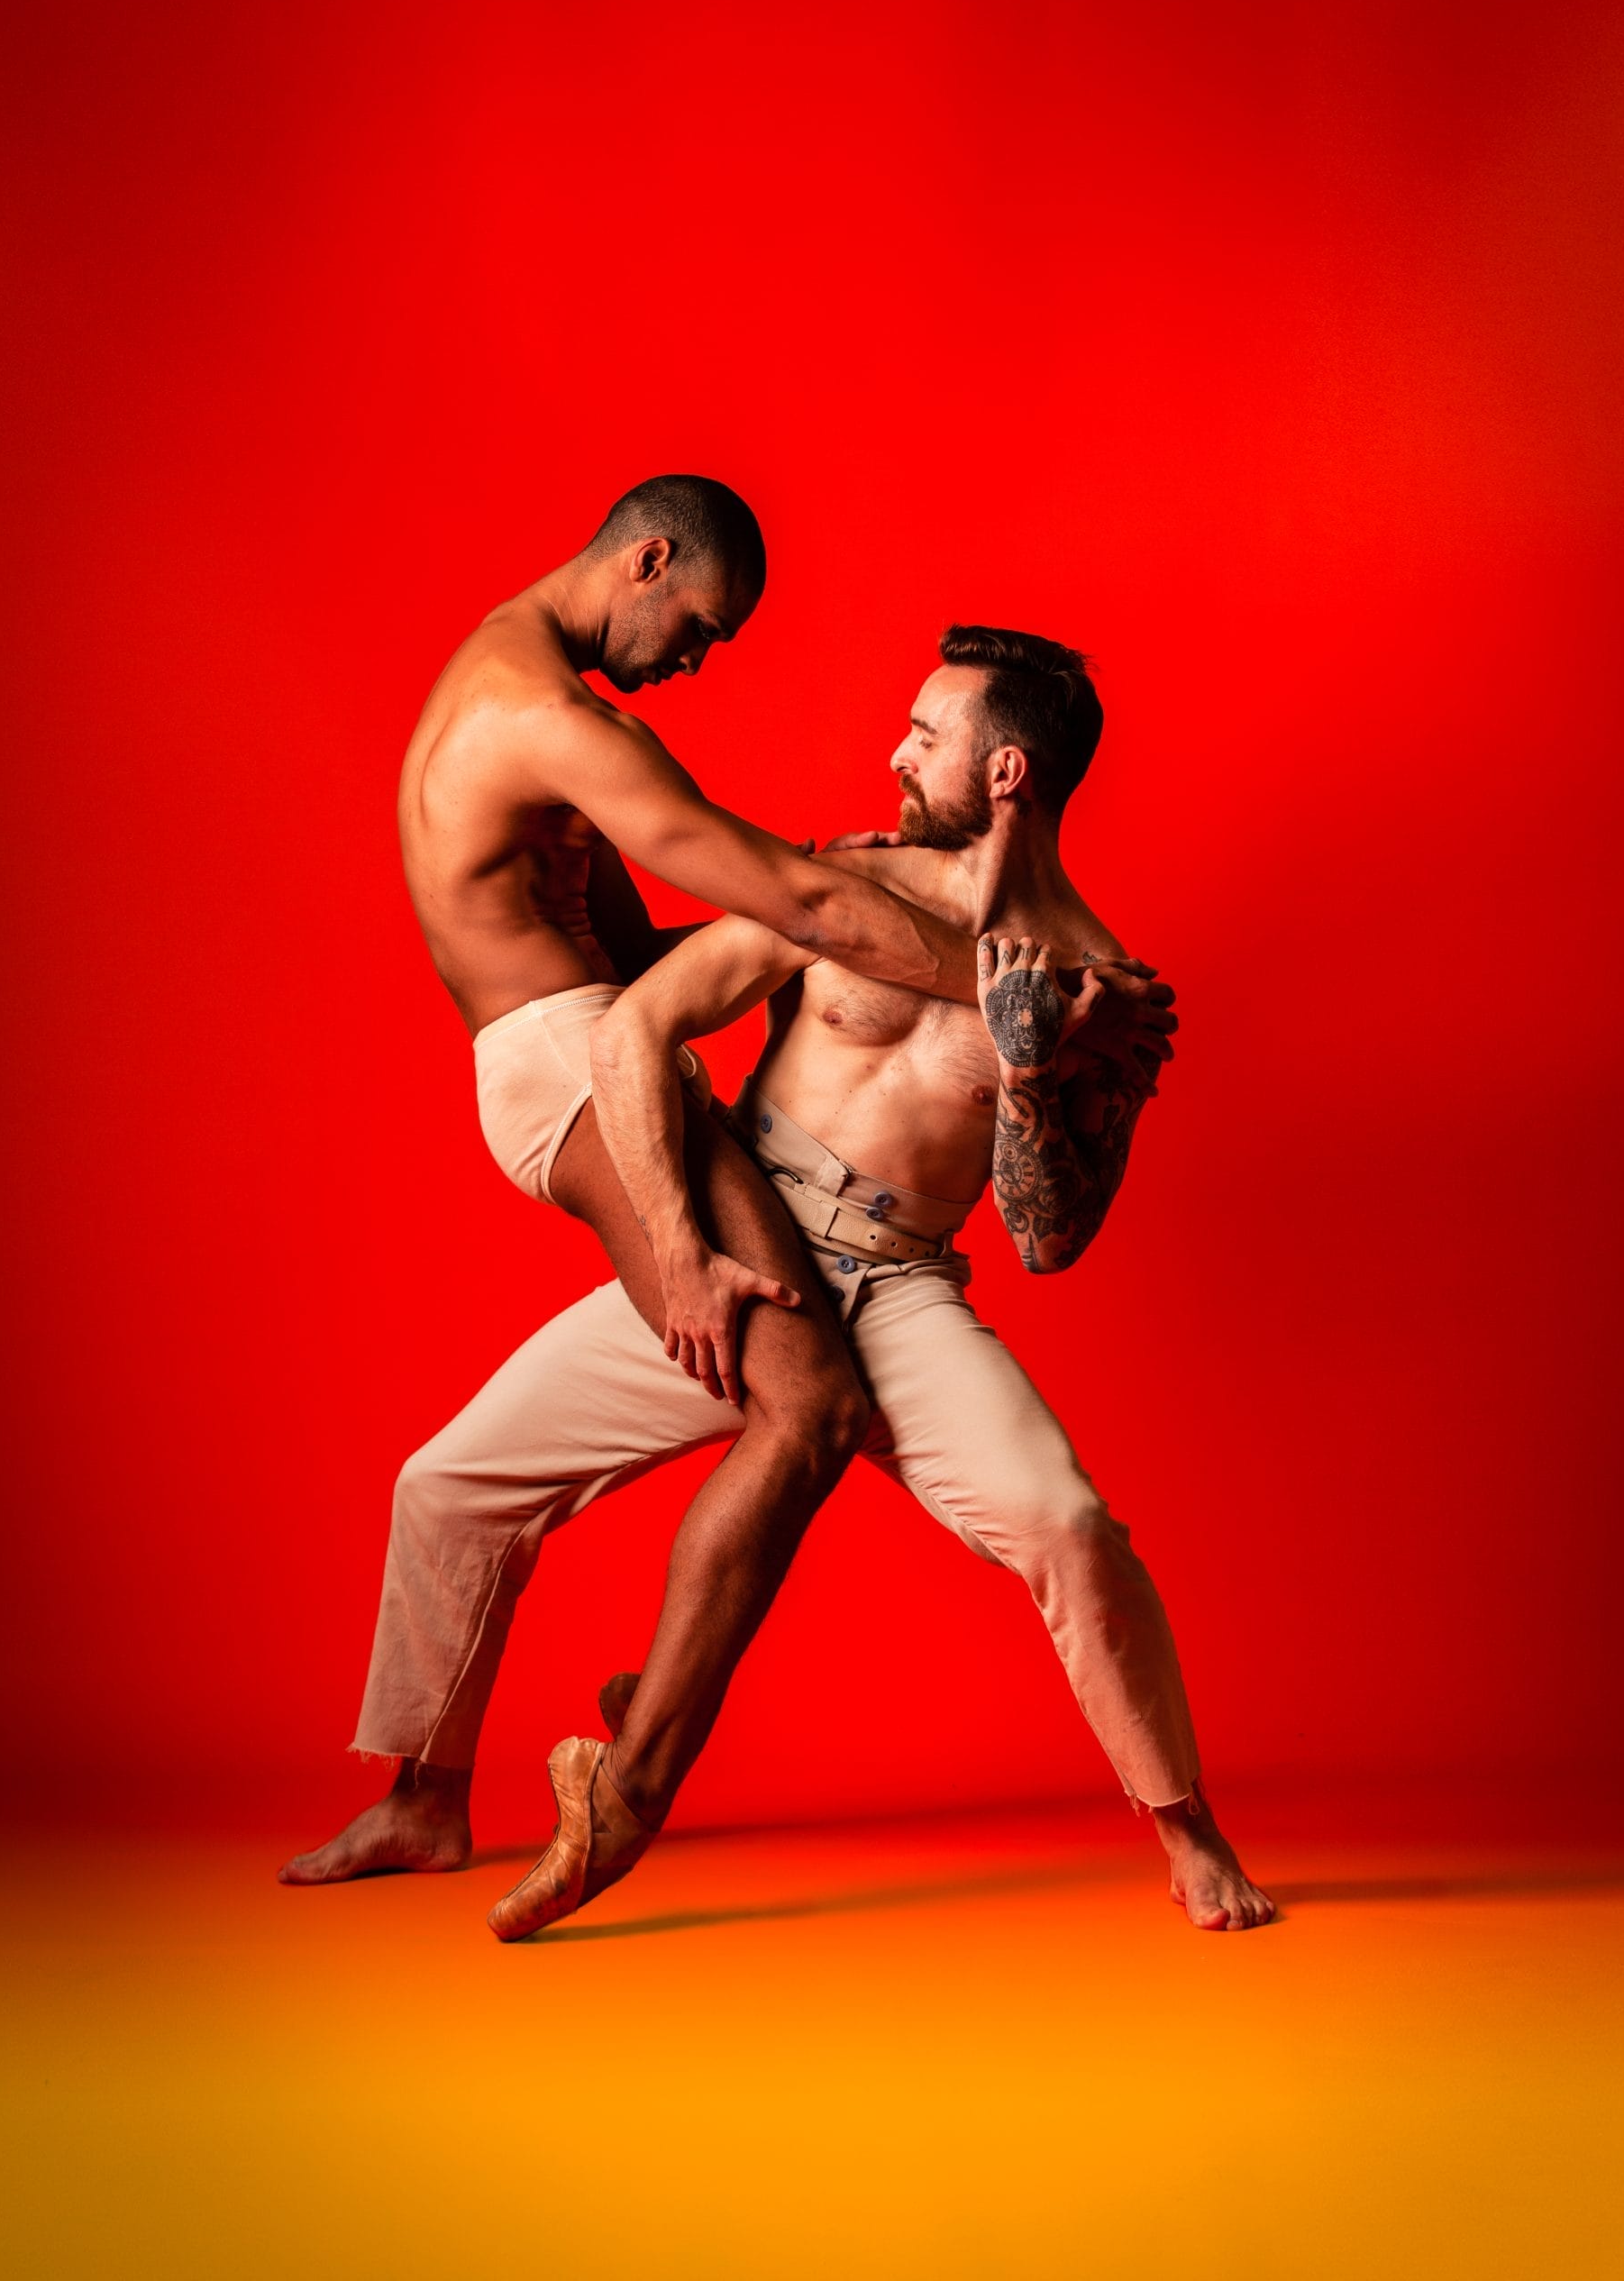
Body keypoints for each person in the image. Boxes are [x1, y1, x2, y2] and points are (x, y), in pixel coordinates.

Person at [363, 625, 1269, 1938]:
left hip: (899, 1284)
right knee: (448, 1484)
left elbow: (1050, 1238)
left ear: (1005, 772)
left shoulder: (1103, 992)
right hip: (748, 1244)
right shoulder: (842, 883)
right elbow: (647, 1018)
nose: (894, 752)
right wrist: (682, 1246)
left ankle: (1186, 1830)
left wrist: (1024, 1078)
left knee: (1069, 1528)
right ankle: (421, 1795)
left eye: (925, 734)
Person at [280, 479, 1014, 1915]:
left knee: (453, 1480)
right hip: (577, 1070)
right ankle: (636, 1781)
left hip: (565, 1055)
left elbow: (662, 945)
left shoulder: (509, 682)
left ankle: (424, 1798)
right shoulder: (555, 722)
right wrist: (1001, 980)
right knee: (809, 1405)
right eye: (698, 626)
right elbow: (782, 912)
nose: (697, 659)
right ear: (648, 557)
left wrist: (814, 922)